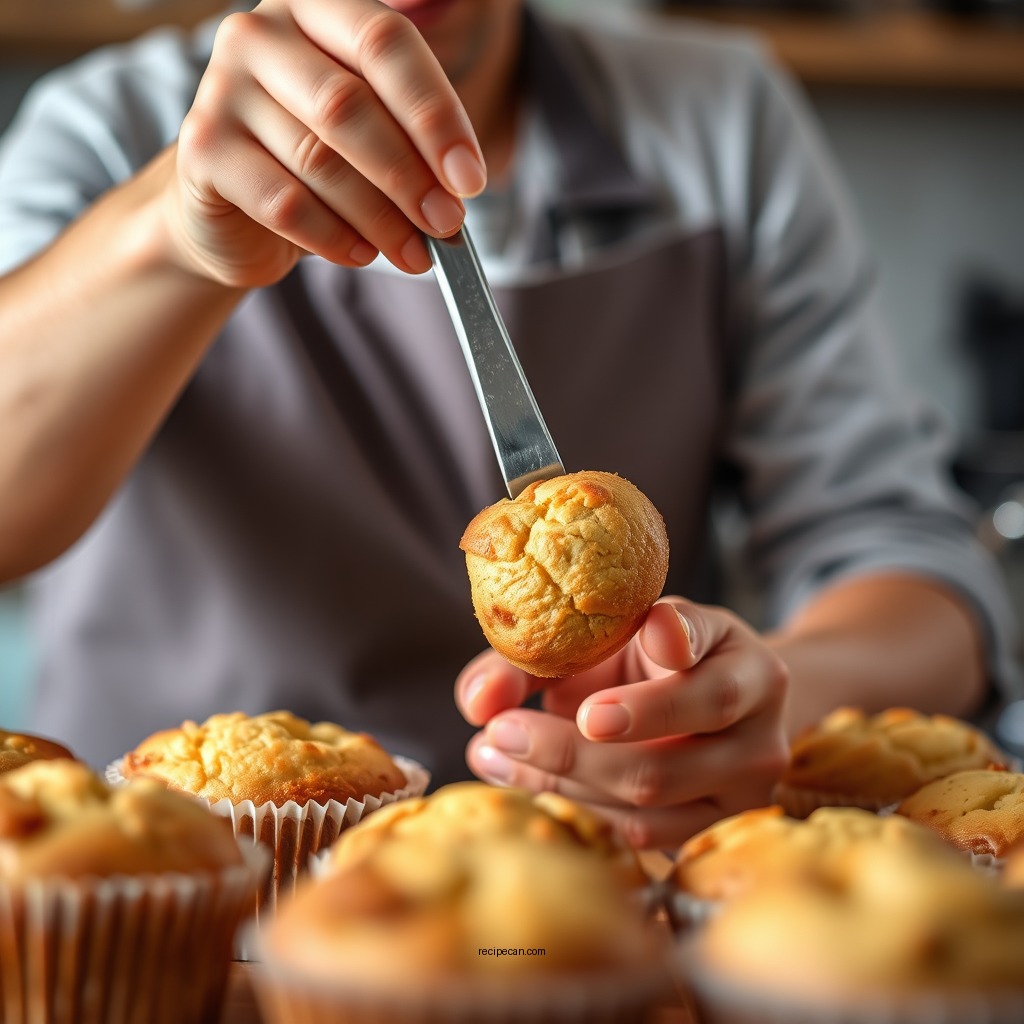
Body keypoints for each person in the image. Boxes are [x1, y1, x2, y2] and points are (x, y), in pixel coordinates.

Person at [0, 0, 1018, 849]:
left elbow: (908, 560)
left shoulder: (719, 121)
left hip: (594, 883)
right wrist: (167, 233)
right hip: (145, 882)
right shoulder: (101, 129)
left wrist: (754, 706)